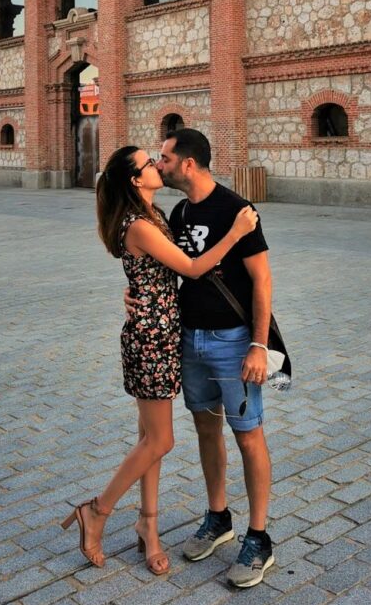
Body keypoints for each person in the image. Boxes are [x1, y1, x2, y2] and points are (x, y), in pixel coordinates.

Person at [62, 144, 258, 576]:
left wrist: (134, 293)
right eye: (148, 163)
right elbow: (190, 268)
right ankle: (97, 510)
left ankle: (148, 528)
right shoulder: (139, 225)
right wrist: (236, 232)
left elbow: (149, 275)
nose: (155, 164)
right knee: (160, 441)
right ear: (135, 180)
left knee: (149, 439)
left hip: (165, 333)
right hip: (151, 339)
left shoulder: (155, 216)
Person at [126, 128, 276, 589]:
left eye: (166, 157)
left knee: (248, 435)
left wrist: (258, 344)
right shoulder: (179, 211)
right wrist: (133, 298)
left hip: (234, 342)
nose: (160, 163)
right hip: (188, 340)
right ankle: (218, 517)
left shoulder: (237, 210)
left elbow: (262, 281)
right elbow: (167, 269)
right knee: (206, 429)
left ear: (188, 163)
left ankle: (258, 537)